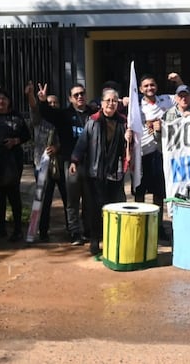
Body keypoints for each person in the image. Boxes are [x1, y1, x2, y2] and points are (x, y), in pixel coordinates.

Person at [69, 88, 133, 256]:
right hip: (96, 172)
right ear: (102, 103)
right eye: (108, 100)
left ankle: (114, 240)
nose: (111, 104)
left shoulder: (124, 122)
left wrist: (129, 138)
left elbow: (130, 148)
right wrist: (75, 160)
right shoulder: (93, 121)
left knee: (116, 206)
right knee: (95, 208)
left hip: (116, 171)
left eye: (114, 101)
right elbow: (82, 143)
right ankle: (95, 241)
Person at [38, 82, 93, 246]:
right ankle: (74, 232)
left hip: (91, 163)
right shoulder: (64, 115)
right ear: (70, 98)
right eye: (76, 95)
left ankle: (88, 230)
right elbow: (47, 113)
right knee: (72, 200)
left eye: (82, 93)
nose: (80, 97)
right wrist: (41, 101)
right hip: (71, 163)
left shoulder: (94, 113)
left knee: (89, 200)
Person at [134, 72, 183, 241]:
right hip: (142, 152)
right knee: (139, 191)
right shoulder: (136, 104)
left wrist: (178, 80)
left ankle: (158, 225)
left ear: (156, 87)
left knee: (158, 192)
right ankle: (139, 224)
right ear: (140, 89)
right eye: (146, 86)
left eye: (152, 85)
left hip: (161, 151)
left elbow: (183, 97)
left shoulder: (165, 100)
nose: (149, 88)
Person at [0, 84, 30, 242]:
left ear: (9, 101)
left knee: (14, 195)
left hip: (13, 159)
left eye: (4, 98)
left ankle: (17, 229)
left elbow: (27, 135)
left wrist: (16, 140)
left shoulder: (16, 116)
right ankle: (1, 227)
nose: (1, 101)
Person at [25, 81, 67, 242]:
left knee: (67, 198)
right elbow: (34, 108)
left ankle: (72, 229)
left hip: (61, 164)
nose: (52, 105)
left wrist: (58, 148)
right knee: (45, 199)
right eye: (49, 103)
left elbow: (70, 139)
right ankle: (43, 231)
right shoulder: (39, 120)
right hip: (42, 165)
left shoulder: (63, 119)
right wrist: (31, 95)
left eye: (55, 103)